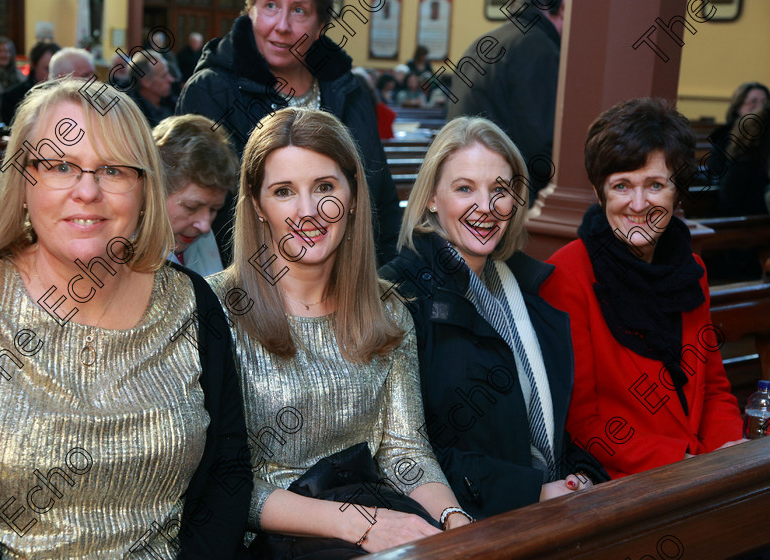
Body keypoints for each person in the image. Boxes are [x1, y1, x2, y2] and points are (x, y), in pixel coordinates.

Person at [0, 78, 251, 558]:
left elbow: (228, 472)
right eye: (60, 165)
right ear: (22, 180)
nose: (87, 191)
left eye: (113, 170)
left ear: (144, 188)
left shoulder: (194, 304)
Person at [207, 107, 472, 555]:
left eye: (325, 187)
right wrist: (359, 524)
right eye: (284, 191)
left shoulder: (387, 308)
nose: (308, 211)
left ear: (351, 196)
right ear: (257, 204)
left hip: (369, 523)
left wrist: (456, 522)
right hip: (262, 543)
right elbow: (220, 480)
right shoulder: (216, 309)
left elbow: (404, 452)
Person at [379, 117, 608, 519]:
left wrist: (580, 475)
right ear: (432, 197)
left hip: (544, 507)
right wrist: (532, 492)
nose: (485, 208)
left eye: (499, 191)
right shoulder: (401, 294)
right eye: (464, 188)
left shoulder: (522, 285)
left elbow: (549, 420)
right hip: (464, 522)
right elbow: (406, 450)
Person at [540, 98, 745, 479]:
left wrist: (728, 450)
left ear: (677, 191)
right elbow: (582, 423)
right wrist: (684, 466)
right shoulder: (567, 274)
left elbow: (714, 389)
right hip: (624, 484)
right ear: (601, 193)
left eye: (655, 185)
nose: (638, 204)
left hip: (700, 471)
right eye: (622, 185)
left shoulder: (691, 269)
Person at [177, 0, 402, 269]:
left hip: (355, 283)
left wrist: (383, 286)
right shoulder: (211, 92)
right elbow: (211, 214)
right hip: (251, 290)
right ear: (251, 11)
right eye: (271, 6)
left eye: (299, 10)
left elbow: (382, 202)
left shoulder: (351, 91)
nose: (282, 26)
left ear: (320, 26)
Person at [447, 0, 564, 198]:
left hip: (464, 186)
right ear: (560, 9)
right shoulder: (539, 49)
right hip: (510, 197)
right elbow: (540, 144)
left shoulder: (485, 41)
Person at [154, 114, 238, 275]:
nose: (205, 226)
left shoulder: (202, 241)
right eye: (192, 207)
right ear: (154, 190)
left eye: (214, 210)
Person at [710, 82, 770, 217]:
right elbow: (716, 170)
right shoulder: (724, 135)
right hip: (736, 208)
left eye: (764, 103)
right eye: (753, 101)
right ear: (738, 106)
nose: (760, 107)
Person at [0, 41, 61, 125]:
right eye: (47, 69)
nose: (53, 75)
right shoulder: (12, 97)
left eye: (57, 70)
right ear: (33, 65)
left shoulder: (66, 96)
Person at [130, 49, 175, 128]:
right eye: (163, 76)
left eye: (168, 73)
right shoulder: (133, 116)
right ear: (146, 82)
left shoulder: (172, 103)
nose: (171, 79)